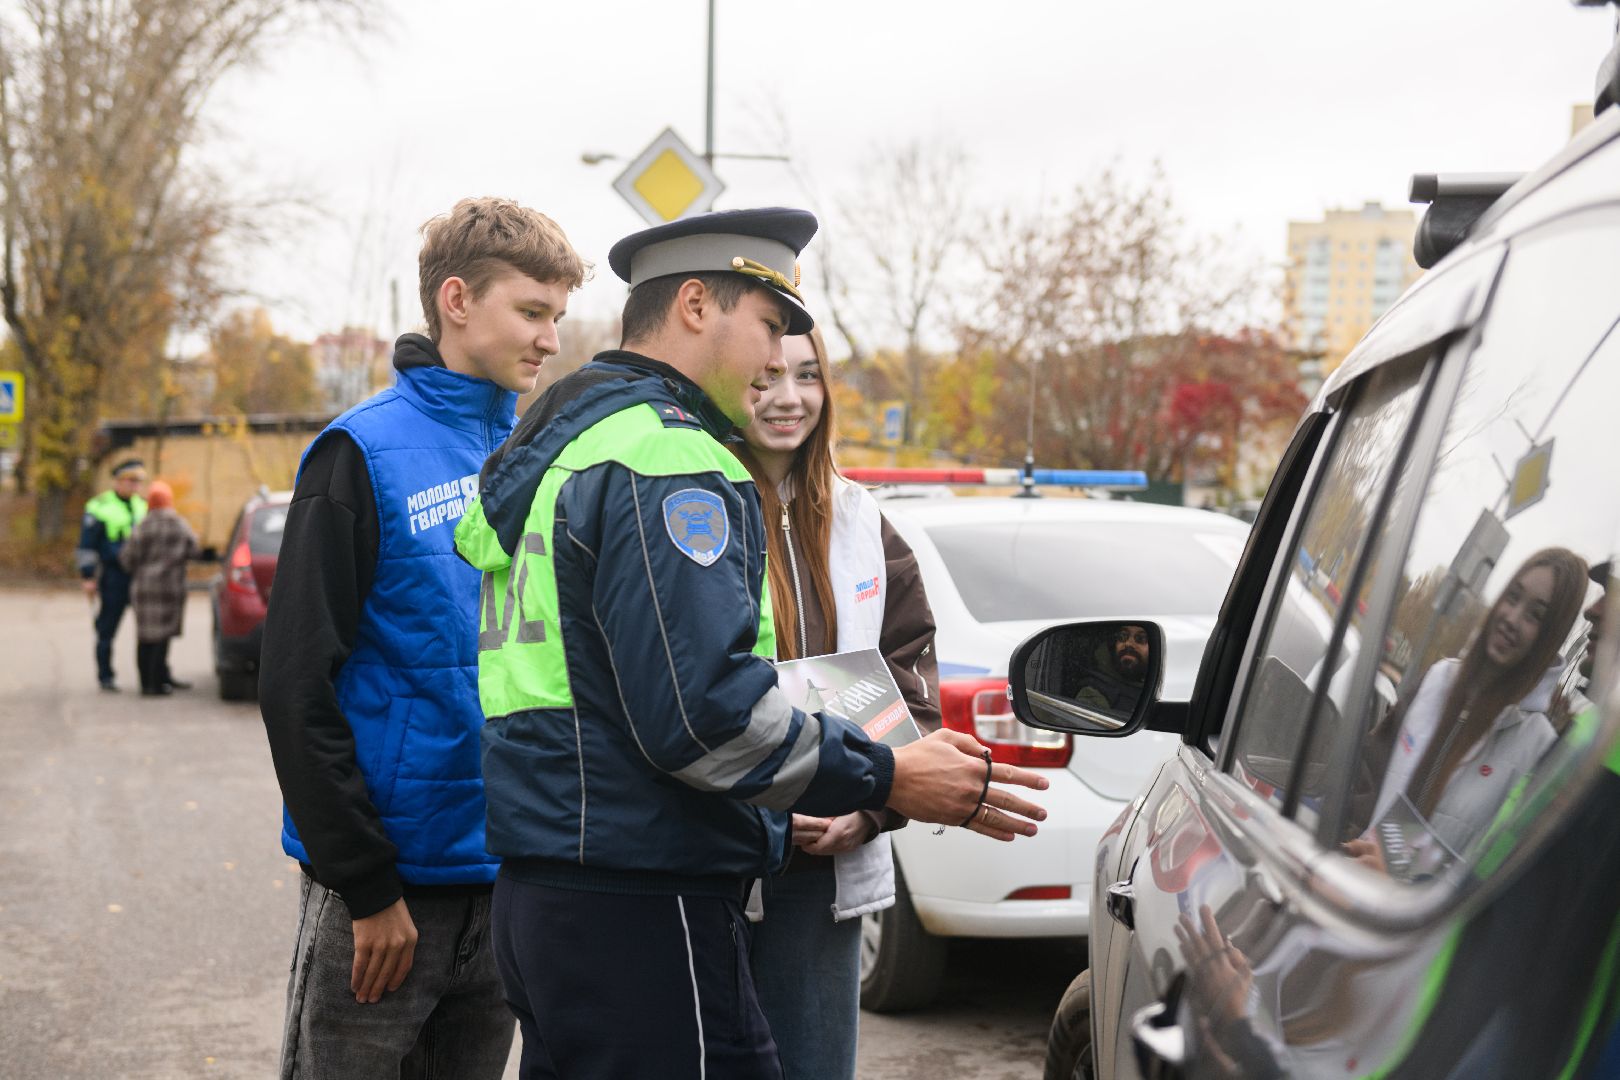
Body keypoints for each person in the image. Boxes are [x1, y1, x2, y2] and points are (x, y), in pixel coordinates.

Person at [454, 206, 1049, 1080]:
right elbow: (704, 718)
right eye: (769, 324)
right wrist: (890, 774)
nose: (776, 359)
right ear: (697, 305)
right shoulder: (666, 459)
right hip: (643, 901)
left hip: (550, 887)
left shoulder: (566, 445)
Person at [258, 196, 586, 1080]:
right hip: (387, 902)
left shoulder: (534, 457)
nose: (551, 339)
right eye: (531, 311)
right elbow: (294, 686)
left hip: (507, 880)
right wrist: (366, 886)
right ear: (455, 300)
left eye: (558, 316)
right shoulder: (359, 453)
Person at [729, 327, 940, 1080]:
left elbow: (912, 699)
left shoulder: (863, 523)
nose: (789, 398)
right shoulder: (690, 507)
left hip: (823, 876)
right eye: (766, 377)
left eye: (808, 376)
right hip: (711, 864)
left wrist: (871, 806)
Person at [1346, 546, 1587, 875]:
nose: (1512, 619)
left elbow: (1492, 875)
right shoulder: (1438, 679)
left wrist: (1400, 870)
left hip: (1410, 922)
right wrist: (1348, 850)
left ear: (1551, 636)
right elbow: (1366, 776)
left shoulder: (1537, 747)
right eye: (1512, 597)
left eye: (1535, 615)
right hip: (1342, 891)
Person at [117, 480, 202, 695]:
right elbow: (194, 550)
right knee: (162, 636)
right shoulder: (179, 524)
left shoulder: (142, 526)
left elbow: (126, 558)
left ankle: (147, 683)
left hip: (144, 589)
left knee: (145, 636)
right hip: (170, 588)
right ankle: (159, 682)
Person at [76, 458, 148, 691]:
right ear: (118, 481)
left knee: (148, 629)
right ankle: (105, 676)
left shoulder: (142, 505)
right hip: (114, 576)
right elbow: (87, 545)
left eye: (138, 482)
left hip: (139, 575)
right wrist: (87, 576)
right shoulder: (99, 506)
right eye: (130, 481)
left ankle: (150, 675)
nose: (134, 486)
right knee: (106, 628)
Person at [1074, 623, 1150, 715]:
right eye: (1122, 636)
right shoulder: (1094, 692)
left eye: (1141, 638)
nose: (1128, 644)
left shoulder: (1157, 684)